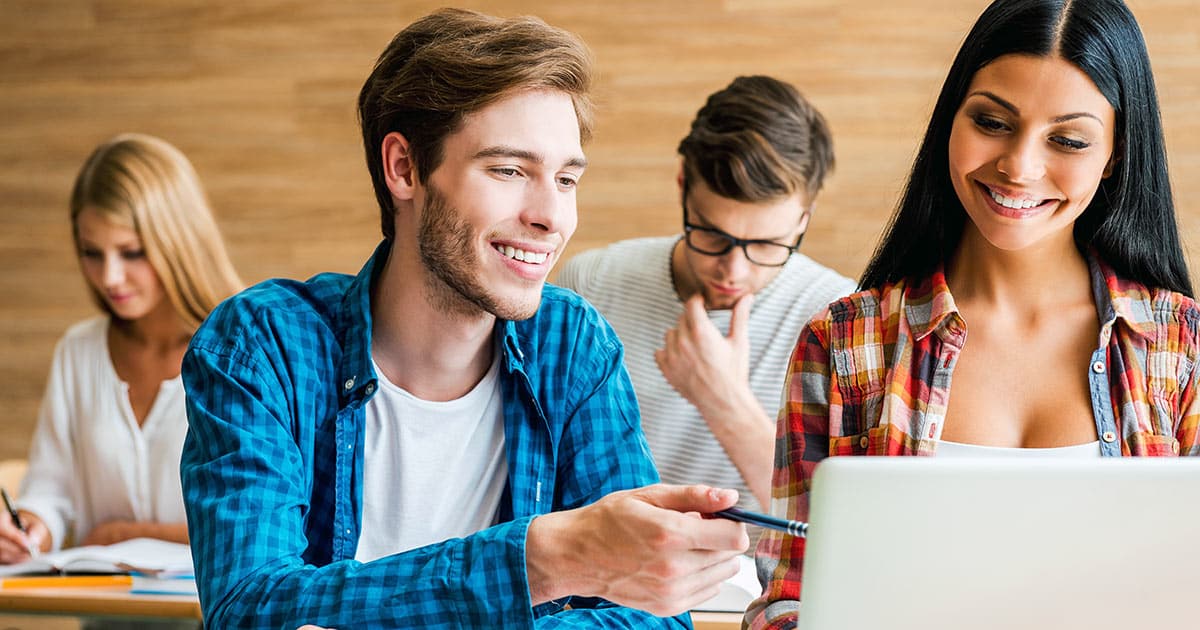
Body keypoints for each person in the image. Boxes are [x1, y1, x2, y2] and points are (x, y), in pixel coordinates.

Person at [178, 8, 749, 629]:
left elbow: (654, 619)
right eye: (509, 170)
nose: (552, 216)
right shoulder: (263, 345)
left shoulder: (572, 345)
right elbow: (248, 610)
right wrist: (542, 562)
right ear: (404, 169)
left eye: (565, 179)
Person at [747, 0, 1199, 626]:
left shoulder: (1180, 345)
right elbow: (789, 594)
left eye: (1067, 139)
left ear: (1116, 153)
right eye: (992, 122)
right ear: (950, 121)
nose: (1019, 168)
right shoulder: (843, 339)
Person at [558, 75, 854, 514]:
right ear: (683, 185)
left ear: (804, 219)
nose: (734, 271)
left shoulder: (842, 319)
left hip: (760, 579)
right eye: (713, 235)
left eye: (767, 245)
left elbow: (842, 523)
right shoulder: (591, 286)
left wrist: (723, 399)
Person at [0, 133, 242, 563]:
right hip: (103, 614)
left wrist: (125, 535)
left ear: (178, 243)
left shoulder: (244, 349)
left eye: (131, 252)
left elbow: (259, 520)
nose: (110, 277)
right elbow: (50, 492)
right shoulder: (79, 351)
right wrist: (31, 529)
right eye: (92, 253)